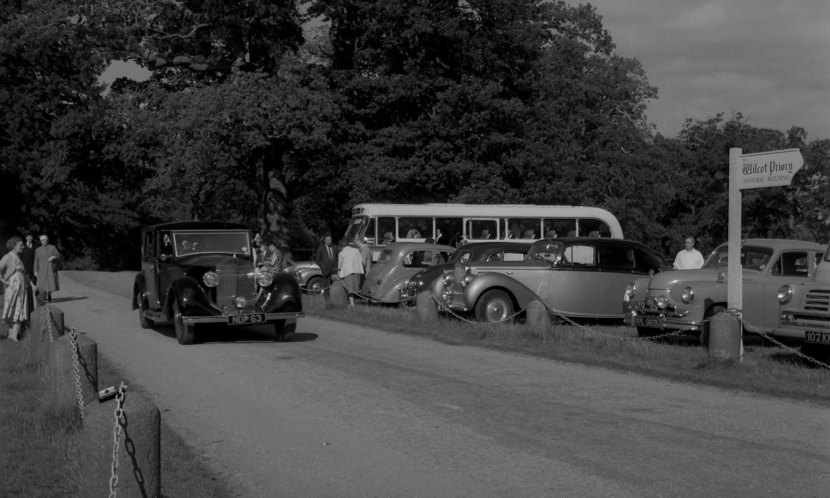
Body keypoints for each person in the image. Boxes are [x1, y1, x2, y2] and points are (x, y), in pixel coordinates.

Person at [1, 237, 31, 341]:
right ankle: (11, 335)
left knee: (20, 310)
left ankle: (13, 336)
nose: (23, 246)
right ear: (14, 246)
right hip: (12, 288)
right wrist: (5, 281)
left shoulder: (18, 258)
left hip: (21, 288)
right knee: (12, 310)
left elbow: (24, 274)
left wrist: (32, 284)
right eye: (20, 245)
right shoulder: (7, 257)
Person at [34, 234, 60, 303]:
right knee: (42, 283)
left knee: (50, 282)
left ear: (47, 240)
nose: (44, 241)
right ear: (40, 241)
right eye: (42, 240)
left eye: (45, 240)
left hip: (50, 267)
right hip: (41, 269)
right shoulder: (37, 250)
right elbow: (36, 261)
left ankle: (49, 294)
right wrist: (35, 270)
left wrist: (53, 257)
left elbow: (58, 255)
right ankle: (43, 295)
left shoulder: (52, 247)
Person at [337, 239, 364, 307]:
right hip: (357, 271)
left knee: (349, 288)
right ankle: (353, 303)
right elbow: (361, 260)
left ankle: (352, 304)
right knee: (356, 288)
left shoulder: (341, 253)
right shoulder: (356, 250)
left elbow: (339, 265)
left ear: (341, 246)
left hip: (348, 272)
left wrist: (338, 272)